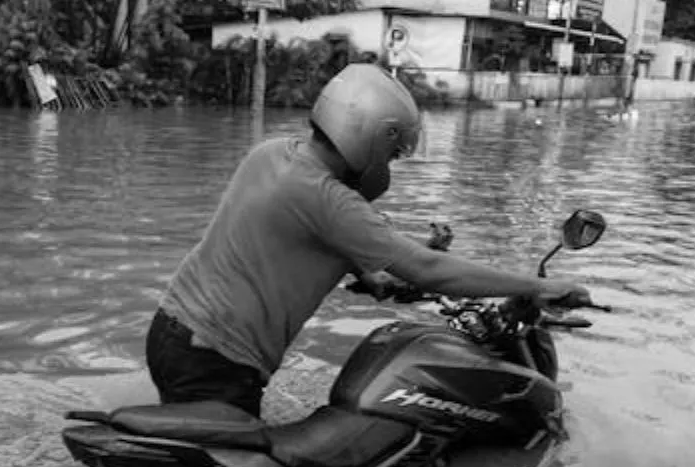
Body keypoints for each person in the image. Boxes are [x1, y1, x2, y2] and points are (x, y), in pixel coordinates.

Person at [146, 63, 591, 418]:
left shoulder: (274, 154)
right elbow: (425, 269)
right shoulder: (328, 199)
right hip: (216, 359)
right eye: (393, 153)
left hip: (175, 331)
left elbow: (365, 266)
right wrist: (538, 287)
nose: (390, 167)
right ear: (373, 136)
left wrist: (394, 272)